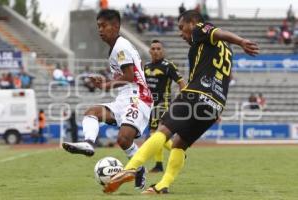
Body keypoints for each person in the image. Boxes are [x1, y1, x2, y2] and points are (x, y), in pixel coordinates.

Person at [104, 10, 259, 194]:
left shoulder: (199, 29)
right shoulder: (227, 49)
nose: (180, 33)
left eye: (181, 27)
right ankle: (162, 186)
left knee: (162, 130)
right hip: (216, 104)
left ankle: (130, 168)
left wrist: (241, 41)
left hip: (195, 94)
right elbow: (227, 76)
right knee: (179, 144)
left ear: (192, 23)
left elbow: (217, 31)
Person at [62, 9, 153, 190]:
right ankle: (88, 143)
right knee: (92, 113)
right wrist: (107, 82)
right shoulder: (117, 47)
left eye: (104, 26)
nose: (100, 30)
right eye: (98, 26)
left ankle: (139, 168)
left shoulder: (121, 46)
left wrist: (106, 84)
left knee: (123, 139)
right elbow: (135, 70)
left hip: (138, 96)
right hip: (125, 97)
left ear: (116, 26)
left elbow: (129, 76)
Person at [144, 39, 186, 172]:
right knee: (155, 134)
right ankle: (159, 164)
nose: (156, 51)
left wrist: (184, 99)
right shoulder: (146, 66)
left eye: (158, 49)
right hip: (150, 104)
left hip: (163, 103)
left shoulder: (168, 66)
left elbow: (181, 82)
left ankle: (180, 152)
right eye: (153, 49)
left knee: (154, 134)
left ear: (163, 51)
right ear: (150, 51)